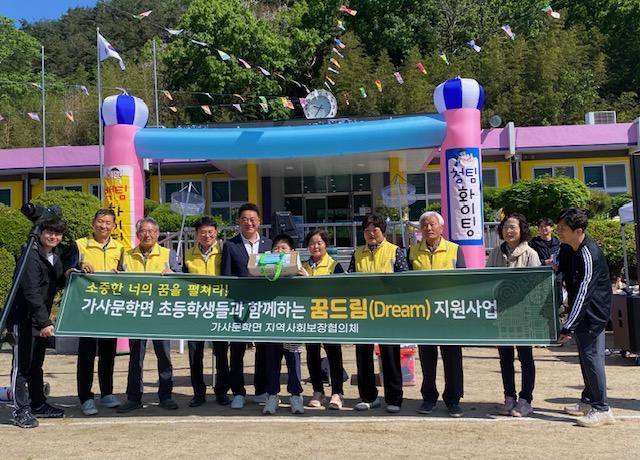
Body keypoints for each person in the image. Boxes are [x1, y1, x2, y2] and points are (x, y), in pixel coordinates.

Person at [556, 208, 614, 427]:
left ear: (578, 231)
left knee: (592, 357)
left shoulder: (589, 254)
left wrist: (568, 326)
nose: (559, 231)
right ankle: (589, 400)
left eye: (563, 228)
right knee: (585, 356)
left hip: (593, 313)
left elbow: (584, 292)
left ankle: (602, 409)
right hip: (579, 311)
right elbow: (561, 271)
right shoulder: (566, 247)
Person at [8, 217, 69, 428]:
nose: (53, 236)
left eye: (57, 233)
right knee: (21, 366)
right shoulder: (30, 255)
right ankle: (20, 410)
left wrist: (71, 274)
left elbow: (57, 282)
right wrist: (44, 322)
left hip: (40, 319)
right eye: (49, 232)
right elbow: (31, 292)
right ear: (40, 233)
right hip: (24, 319)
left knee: (36, 365)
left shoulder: (54, 256)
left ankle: (38, 403)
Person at [117, 217, 181, 413]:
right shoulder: (127, 255)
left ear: (158, 234)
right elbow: (117, 279)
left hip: (160, 313)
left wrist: (173, 273)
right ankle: (133, 397)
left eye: (152, 231)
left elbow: (180, 277)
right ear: (137, 235)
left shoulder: (168, 254)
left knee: (164, 356)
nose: (148, 235)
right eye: (144, 231)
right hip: (136, 313)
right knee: (135, 358)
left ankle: (166, 396)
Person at [347, 213, 408, 413]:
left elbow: (404, 281)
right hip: (363, 311)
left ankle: (394, 399)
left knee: (390, 355)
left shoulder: (395, 251)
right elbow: (350, 280)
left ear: (383, 231)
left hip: (388, 311)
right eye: (367, 231)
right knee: (363, 355)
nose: (371, 234)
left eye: (375, 230)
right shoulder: (357, 253)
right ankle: (368, 397)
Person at [407, 211, 465, 417]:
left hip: (449, 313)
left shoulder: (454, 249)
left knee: (452, 358)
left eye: (432, 224)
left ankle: (453, 400)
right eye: (424, 225)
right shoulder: (412, 251)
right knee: (427, 358)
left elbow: (464, 281)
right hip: (424, 314)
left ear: (441, 228)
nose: (428, 228)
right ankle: (429, 398)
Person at [486, 213, 540, 417]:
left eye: (513, 227)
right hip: (502, 314)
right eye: (506, 227)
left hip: (523, 315)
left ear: (521, 230)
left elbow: (536, 285)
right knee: (505, 358)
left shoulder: (530, 254)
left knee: (525, 357)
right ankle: (509, 397)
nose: (509, 231)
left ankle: (526, 400)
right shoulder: (495, 253)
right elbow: (487, 280)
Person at [220, 203, 272, 409]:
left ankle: (261, 390)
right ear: (238, 222)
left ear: (259, 221)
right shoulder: (230, 245)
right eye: (244, 219)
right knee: (237, 350)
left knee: (264, 349)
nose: (248, 223)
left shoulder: (269, 245)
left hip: (263, 305)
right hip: (239, 305)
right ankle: (238, 392)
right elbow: (226, 276)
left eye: (252, 219)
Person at [74, 209, 124, 416]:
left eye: (108, 222)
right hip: (88, 308)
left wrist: (120, 275)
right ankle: (85, 397)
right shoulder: (79, 245)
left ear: (114, 226)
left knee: (108, 353)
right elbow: (68, 271)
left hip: (109, 308)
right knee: (86, 354)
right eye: (100, 221)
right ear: (93, 223)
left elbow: (125, 274)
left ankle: (107, 393)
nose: (104, 226)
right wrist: (80, 267)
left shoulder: (119, 248)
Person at [262, 234, 307, 415]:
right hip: (272, 325)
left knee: (293, 361)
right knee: (272, 362)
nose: (279, 251)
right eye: (276, 248)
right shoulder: (265, 270)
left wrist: (305, 277)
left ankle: (295, 396)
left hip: (292, 326)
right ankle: (272, 396)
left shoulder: (300, 270)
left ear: (292, 252)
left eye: (284, 248)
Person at [182, 216, 224, 407]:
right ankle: (198, 392)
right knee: (195, 353)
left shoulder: (223, 250)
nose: (207, 235)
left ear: (216, 232)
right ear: (196, 234)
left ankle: (222, 391)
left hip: (219, 307)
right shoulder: (188, 254)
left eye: (210, 232)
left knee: (221, 353)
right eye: (203, 232)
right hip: (196, 309)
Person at [302, 229, 346, 410]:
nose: (315, 246)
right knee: (312, 354)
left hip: (329, 316)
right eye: (312, 243)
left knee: (334, 354)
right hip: (309, 317)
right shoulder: (302, 267)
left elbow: (340, 290)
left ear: (326, 245)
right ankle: (318, 391)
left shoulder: (334, 266)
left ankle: (337, 393)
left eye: (319, 243)